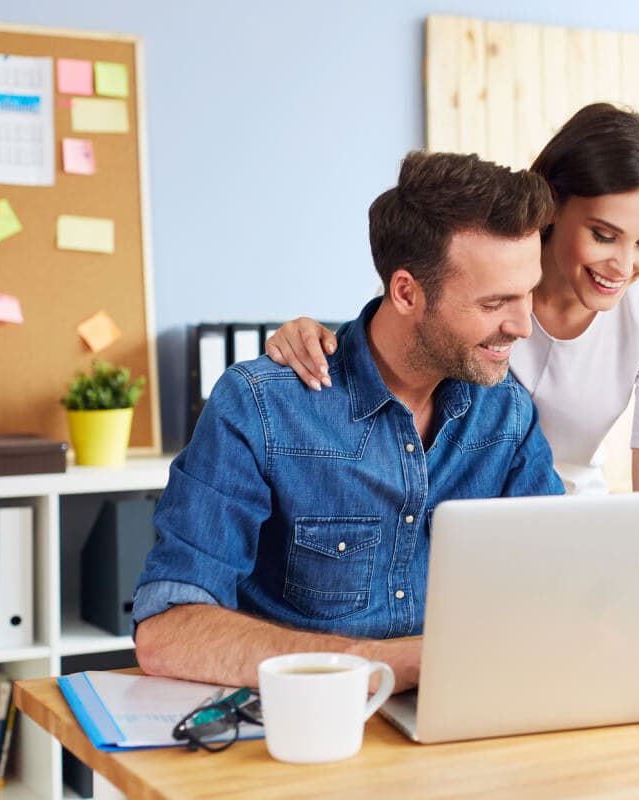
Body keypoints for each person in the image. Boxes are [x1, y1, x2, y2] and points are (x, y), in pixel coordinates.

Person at [132, 151, 564, 693]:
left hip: (460, 719)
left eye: (528, 293)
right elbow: (168, 632)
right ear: (407, 292)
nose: (523, 325)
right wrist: (390, 666)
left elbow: (556, 591)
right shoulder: (263, 406)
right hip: (303, 725)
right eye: (496, 301)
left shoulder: (506, 414)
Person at [267, 103, 639, 495]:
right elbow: (379, 354)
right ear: (553, 205)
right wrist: (310, 339)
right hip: (449, 505)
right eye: (603, 236)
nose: (622, 265)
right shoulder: (465, 269)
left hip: (563, 515)